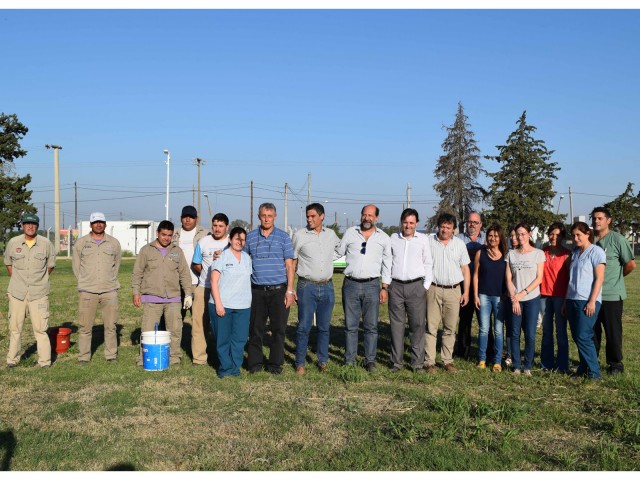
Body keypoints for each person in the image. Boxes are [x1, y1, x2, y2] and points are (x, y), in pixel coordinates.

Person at [336, 204, 391, 372]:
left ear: (376, 218)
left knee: (371, 327)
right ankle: (350, 359)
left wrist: (385, 287)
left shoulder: (383, 238)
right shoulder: (350, 233)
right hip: (351, 284)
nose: (367, 218)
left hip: (372, 285)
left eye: (370, 215)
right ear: (361, 216)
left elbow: (387, 264)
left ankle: (370, 360)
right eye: (364, 215)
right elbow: (338, 252)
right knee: (350, 326)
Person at [132, 220, 193, 367]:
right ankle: (144, 357)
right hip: (151, 298)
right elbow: (137, 273)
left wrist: (188, 294)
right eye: (163, 234)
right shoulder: (146, 250)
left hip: (173, 298)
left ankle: (174, 357)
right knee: (148, 330)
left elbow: (184, 274)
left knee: (175, 330)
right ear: (157, 233)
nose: (166, 238)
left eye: (169, 235)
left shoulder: (177, 251)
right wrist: (136, 292)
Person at [244, 203, 295, 375]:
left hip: (279, 290)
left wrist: (290, 290)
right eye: (263, 215)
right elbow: (242, 259)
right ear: (259, 216)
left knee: (278, 330)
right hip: (256, 290)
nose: (266, 218)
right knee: (255, 329)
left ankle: (275, 364)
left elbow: (290, 265)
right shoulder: (250, 237)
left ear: (275, 217)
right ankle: (255, 363)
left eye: (270, 216)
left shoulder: (283, 237)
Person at [292, 203, 340, 375]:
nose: (309, 219)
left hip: (327, 286)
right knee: (304, 326)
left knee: (324, 327)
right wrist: (291, 287)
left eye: (313, 216)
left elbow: (341, 249)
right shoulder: (299, 235)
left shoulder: (331, 235)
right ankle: (300, 362)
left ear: (322, 216)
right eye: (307, 216)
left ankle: (323, 361)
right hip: (307, 286)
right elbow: (292, 260)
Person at [4, 214, 56, 368]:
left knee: (41, 329)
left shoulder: (46, 244)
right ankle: (12, 360)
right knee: (15, 329)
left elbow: (50, 266)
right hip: (17, 293)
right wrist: (19, 281)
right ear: (22, 226)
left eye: (33, 224)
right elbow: (8, 263)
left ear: (37, 227)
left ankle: (45, 362)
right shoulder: (13, 243)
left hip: (38, 293)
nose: (30, 226)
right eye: (27, 224)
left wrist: (38, 280)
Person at [72, 212, 122, 364]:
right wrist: (84, 283)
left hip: (109, 290)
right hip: (88, 290)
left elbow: (116, 264)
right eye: (95, 222)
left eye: (101, 222)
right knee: (85, 327)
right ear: (90, 224)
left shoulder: (114, 243)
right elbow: (76, 266)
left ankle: (111, 355)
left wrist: (110, 281)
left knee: (111, 326)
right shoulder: (81, 243)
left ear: (105, 224)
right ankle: (84, 356)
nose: (98, 225)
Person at [591, 206, 636, 375]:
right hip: (592, 296)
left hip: (611, 295)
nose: (596, 221)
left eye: (600, 218)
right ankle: (591, 362)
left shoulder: (617, 239)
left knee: (613, 333)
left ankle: (615, 364)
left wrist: (616, 279)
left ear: (608, 220)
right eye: (594, 218)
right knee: (592, 332)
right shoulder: (590, 240)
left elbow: (630, 264)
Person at [424, 213, 470, 374]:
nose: (444, 230)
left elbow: (465, 269)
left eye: (448, 227)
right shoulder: (428, 242)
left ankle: (447, 361)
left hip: (453, 290)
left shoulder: (459, 245)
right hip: (433, 289)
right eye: (442, 226)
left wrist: (466, 292)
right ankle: (429, 362)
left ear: (453, 229)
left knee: (450, 328)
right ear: (438, 226)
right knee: (431, 327)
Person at [388, 208, 432, 373]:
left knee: (417, 326)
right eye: (405, 222)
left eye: (411, 223)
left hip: (416, 287)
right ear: (401, 222)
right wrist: (388, 285)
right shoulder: (393, 238)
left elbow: (428, 264)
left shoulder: (423, 240)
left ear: (416, 224)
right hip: (396, 286)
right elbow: (387, 261)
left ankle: (417, 363)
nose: (408, 226)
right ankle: (396, 363)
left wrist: (424, 287)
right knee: (396, 327)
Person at [209, 227, 252, 378]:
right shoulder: (221, 257)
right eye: (236, 239)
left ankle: (235, 368)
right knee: (223, 339)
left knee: (239, 339)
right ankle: (225, 369)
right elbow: (214, 281)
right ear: (229, 239)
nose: (239, 242)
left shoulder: (247, 258)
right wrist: (219, 304)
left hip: (243, 306)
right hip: (223, 304)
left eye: (242, 239)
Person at [565, 221, 606, 380]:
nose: (575, 238)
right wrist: (565, 301)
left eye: (579, 235)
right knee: (577, 336)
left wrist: (592, 301)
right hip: (572, 299)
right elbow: (571, 279)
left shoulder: (596, 252)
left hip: (587, 300)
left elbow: (599, 279)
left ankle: (594, 373)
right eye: (573, 235)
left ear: (587, 234)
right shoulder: (575, 253)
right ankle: (583, 369)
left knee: (583, 335)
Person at [505, 223, 545, 376]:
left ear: (529, 234)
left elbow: (539, 278)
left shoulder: (538, 254)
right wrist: (514, 299)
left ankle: (527, 366)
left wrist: (522, 294)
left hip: (532, 299)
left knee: (530, 334)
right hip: (515, 300)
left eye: (523, 234)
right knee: (515, 333)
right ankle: (516, 365)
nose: (520, 237)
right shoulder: (511, 254)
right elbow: (508, 279)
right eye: (518, 234)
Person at [191, 213, 229, 366]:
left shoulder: (231, 242)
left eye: (220, 226)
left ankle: (222, 357)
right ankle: (199, 358)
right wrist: (208, 276)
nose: (217, 229)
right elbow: (196, 263)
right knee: (199, 323)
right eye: (214, 225)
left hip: (224, 291)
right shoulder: (203, 242)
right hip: (203, 289)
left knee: (222, 325)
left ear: (227, 227)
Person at [173, 206, 209, 357]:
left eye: (191, 217)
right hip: (176, 283)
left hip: (198, 283)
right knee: (174, 321)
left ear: (196, 219)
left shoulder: (205, 234)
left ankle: (200, 355)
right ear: (181, 218)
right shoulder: (173, 234)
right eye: (185, 216)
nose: (188, 219)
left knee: (200, 322)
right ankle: (172, 353)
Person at [473, 224, 507, 372]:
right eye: (490, 236)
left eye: (496, 236)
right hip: (484, 295)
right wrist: (475, 295)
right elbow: (475, 275)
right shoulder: (481, 253)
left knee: (499, 330)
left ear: (500, 238)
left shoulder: (506, 254)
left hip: (500, 297)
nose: (493, 238)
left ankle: (497, 361)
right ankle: (482, 359)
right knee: (484, 329)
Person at [539, 222, 570, 373]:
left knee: (561, 331)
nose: (554, 237)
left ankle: (562, 365)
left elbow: (571, 279)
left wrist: (566, 300)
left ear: (562, 237)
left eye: (557, 235)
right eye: (551, 234)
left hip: (559, 297)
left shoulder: (566, 255)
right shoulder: (542, 252)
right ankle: (547, 364)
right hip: (544, 296)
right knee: (547, 331)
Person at [455, 211, 486, 360]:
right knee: (465, 320)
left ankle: (488, 351)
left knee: (485, 321)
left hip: (483, 286)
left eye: (475, 222)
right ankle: (463, 352)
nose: (472, 224)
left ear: (481, 224)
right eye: (470, 221)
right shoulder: (458, 239)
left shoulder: (488, 238)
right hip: (464, 286)